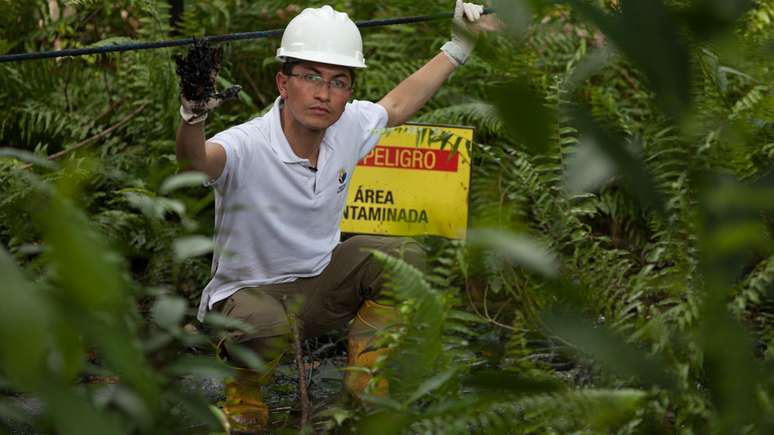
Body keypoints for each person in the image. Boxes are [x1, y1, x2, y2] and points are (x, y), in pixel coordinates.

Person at [175, 1, 492, 431]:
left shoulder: (348, 128)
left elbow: (398, 105)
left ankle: (363, 389)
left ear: (348, 91)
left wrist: (459, 46)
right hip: (251, 300)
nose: (324, 94)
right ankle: (244, 394)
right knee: (265, 325)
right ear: (283, 84)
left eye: (338, 82)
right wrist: (193, 115)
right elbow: (196, 163)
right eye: (311, 77)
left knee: (402, 256)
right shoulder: (248, 144)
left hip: (319, 287)